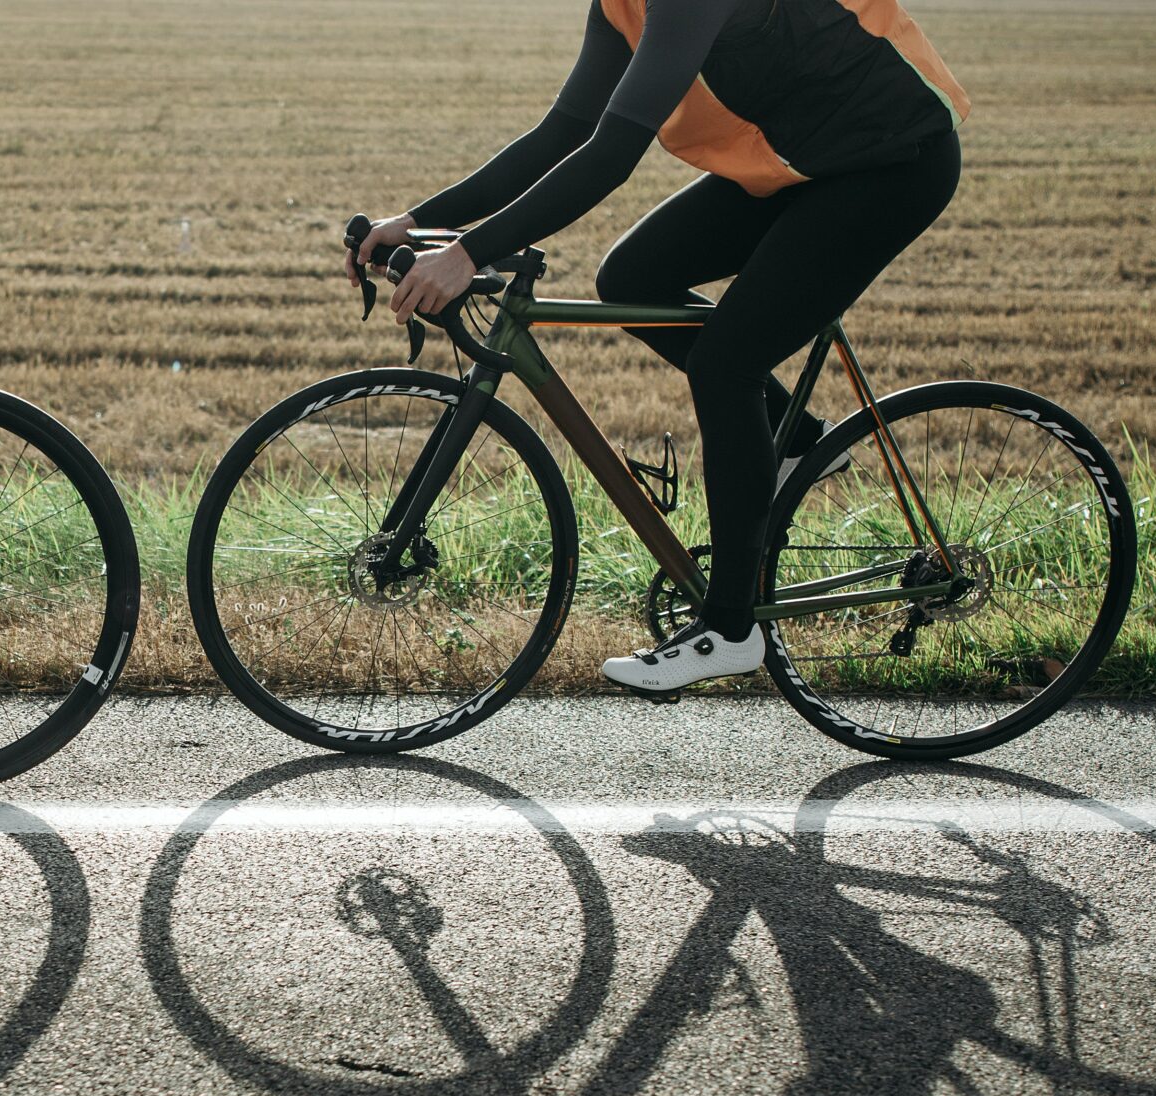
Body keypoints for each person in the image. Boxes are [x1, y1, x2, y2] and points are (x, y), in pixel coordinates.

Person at [356, 0, 967, 695]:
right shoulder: (619, 4)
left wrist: (468, 254)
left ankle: (732, 629)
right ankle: (791, 434)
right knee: (632, 276)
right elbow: (564, 130)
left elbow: (612, 156)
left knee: (725, 363)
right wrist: (420, 222)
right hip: (805, 155)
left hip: (889, 157)